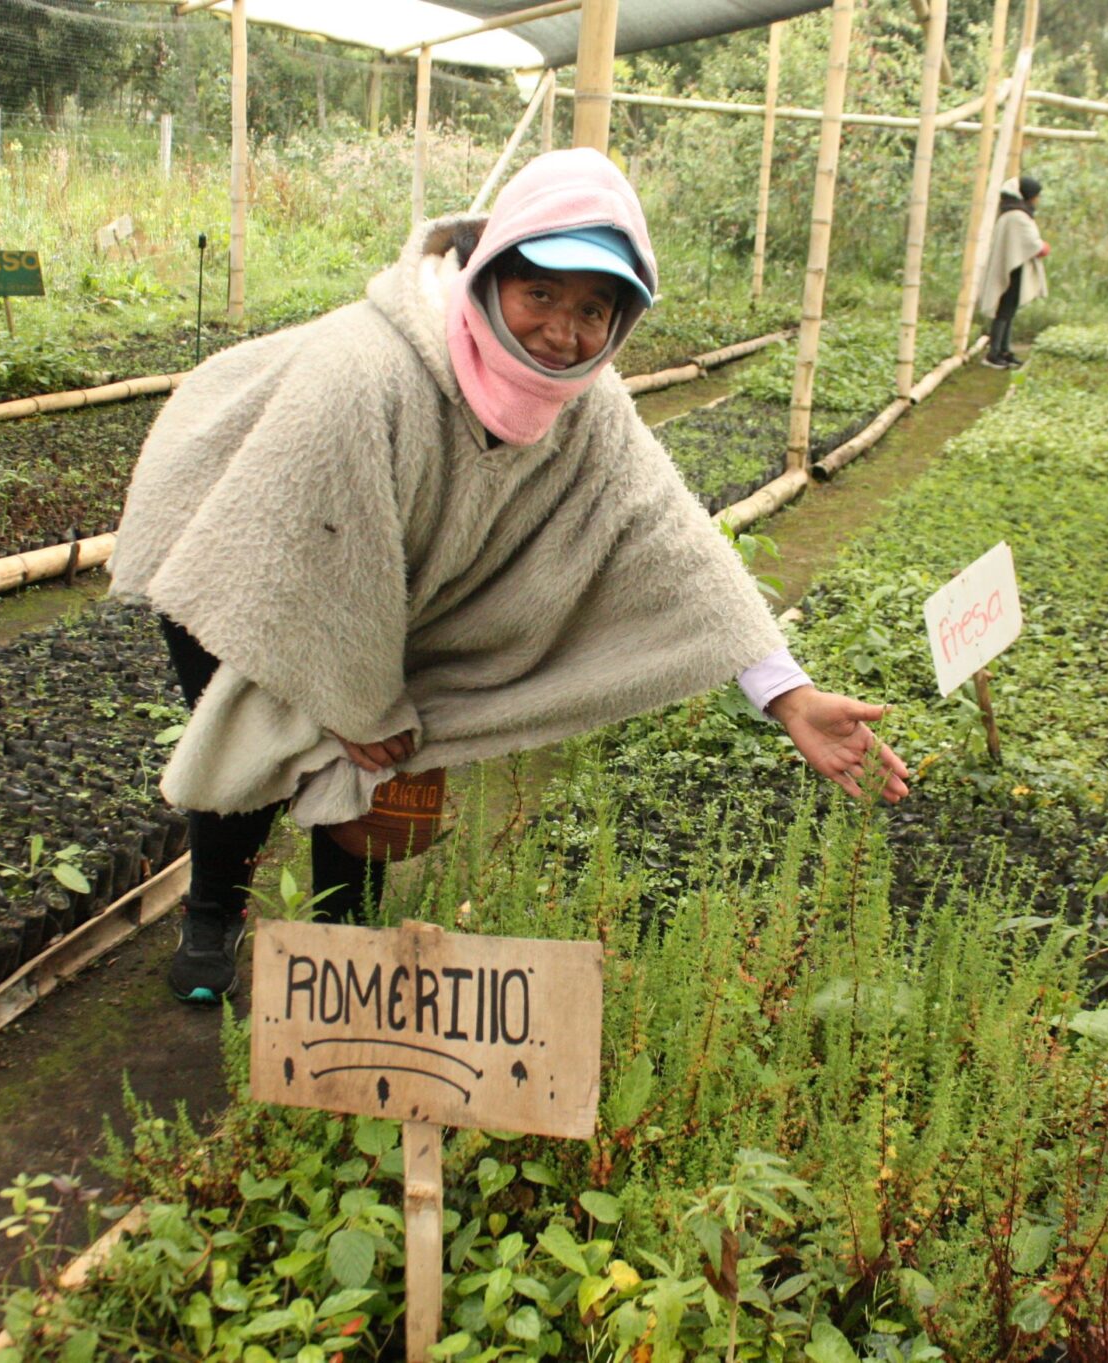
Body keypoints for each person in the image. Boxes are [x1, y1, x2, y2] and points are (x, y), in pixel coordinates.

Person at [110, 149, 913, 1005]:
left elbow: (671, 540)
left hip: (384, 579)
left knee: (377, 766)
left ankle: (339, 972)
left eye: (593, 309)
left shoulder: (583, 404)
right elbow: (314, 548)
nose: (563, 332)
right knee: (259, 736)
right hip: (229, 544)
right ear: (492, 278)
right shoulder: (367, 373)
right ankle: (211, 915)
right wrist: (355, 704)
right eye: (540, 295)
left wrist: (788, 694)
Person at [980, 174, 1049, 369]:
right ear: (1028, 196)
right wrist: (1043, 246)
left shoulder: (1013, 214)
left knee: (1008, 311)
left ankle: (1004, 350)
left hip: (1015, 267)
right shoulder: (1017, 217)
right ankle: (994, 353)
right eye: (1036, 196)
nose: (1038, 199)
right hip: (1012, 270)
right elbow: (1033, 245)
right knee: (1004, 311)